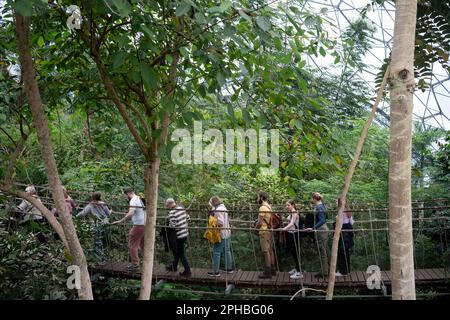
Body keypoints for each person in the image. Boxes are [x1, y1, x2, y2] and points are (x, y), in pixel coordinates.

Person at [111, 188, 146, 270]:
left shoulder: (133, 200)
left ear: (128, 193)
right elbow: (138, 211)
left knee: (132, 245)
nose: (126, 197)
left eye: (125, 195)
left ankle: (135, 264)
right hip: (145, 224)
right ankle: (146, 261)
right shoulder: (140, 198)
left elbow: (131, 213)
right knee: (142, 245)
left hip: (139, 225)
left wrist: (120, 221)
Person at [77, 191, 111, 264]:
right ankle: (101, 258)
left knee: (98, 242)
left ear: (92, 197)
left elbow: (82, 214)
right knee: (101, 241)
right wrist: (111, 211)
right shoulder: (103, 204)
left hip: (96, 225)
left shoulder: (90, 205)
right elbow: (108, 214)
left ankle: (101, 259)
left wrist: (75, 216)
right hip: (104, 225)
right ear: (100, 197)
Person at [305, 192, 330, 278]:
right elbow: (326, 218)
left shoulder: (319, 207)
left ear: (315, 199)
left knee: (322, 251)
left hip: (321, 230)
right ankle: (327, 269)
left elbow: (322, 220)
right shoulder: (323, 205)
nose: (312, 200)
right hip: (324, 229)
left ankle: (324, 272)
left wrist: (313, 228)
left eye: (312, 199)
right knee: (325, 250)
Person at [207, 196, 233, 277]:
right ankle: (229, 268)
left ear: (214, 203)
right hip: (227, 232)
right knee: (227, 251)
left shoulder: (218, 210)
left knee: (216, 252)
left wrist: (213, 224)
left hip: (220, 234)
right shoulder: (223, 207)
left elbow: (220, 222)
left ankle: (216, 271)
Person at [165, 198, 191, 277]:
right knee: (177, 252)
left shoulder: (172, 213)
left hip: (179, 235)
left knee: (181, 254)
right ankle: (174, 266)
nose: (166, 206)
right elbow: (188, 218)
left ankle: (187, 271)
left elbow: (173, 226)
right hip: (185, 233)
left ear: (169, 204)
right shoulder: (181, 209)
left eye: (166, 205)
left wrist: (168, 224)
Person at [255, 191, 276, 279]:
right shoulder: (269, 206)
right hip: (269, 230)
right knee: (270, 250)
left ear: (261, 197)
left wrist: (255, 229)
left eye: (258, 197)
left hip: (264, 231)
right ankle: (273, 269)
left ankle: (267, 272)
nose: (257, 199)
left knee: (265, 251)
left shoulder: (262, 208)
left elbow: (260, 222)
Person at [282, 199, 303, 279]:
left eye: (288, 205)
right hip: (291, 234)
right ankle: (296, 268)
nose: (287, 207)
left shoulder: (294, 212)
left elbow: (292, 223)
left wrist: (284, 229)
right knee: (293, 252)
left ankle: (299, 272)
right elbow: (289, 223)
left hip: (295, 234)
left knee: (296, 252)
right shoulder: (291, 213)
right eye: (286, 205)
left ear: (293, 205)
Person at [335, 198, 354, 276]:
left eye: (337, 201)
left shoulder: (342, 210)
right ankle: (347, 270)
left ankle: (343, 271)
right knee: (346, 252)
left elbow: (340, 222)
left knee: (342, 251)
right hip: (348, 230)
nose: (336, 202)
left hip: (343, 231)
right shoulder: (347, 210)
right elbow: (352, 222)